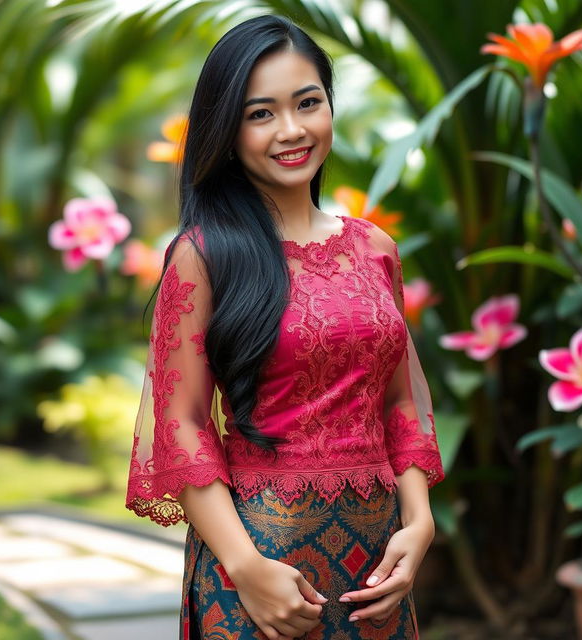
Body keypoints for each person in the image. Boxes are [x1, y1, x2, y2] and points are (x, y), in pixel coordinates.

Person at [125, 13, 445, 640]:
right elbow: (180, 423)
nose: (292, 130)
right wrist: (246, 569)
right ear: (227, 129)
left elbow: (400, 398)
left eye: (308, 103)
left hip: (373, 574)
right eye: (260, 113)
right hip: (256, 577)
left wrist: (420, 523)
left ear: (330, 106)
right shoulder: (204, 255)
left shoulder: (374, 248)